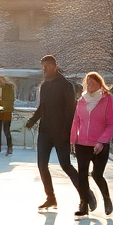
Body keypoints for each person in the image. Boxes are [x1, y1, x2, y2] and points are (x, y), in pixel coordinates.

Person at [24, 55, 83, 211]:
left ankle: (85, 195)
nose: (44, 69)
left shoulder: (66, 86)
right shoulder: (44, 85)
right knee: (42, 165)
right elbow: (42, 108)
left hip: (60, 133)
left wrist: (65, 132)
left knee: (66, 165)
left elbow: (70, 111)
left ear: (55, 66)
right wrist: (33, 120)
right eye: (43, 66)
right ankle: (50, 198)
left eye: (47, 66)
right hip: (44, 132)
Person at [70, 72, 113, 217]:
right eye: (87, 83)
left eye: (93, 83)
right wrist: (72, 140)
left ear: (99, 84)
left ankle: (107, 199)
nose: (89, 86)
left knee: (97, 174)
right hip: (82, 143)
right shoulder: (82, 100)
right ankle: (83, 204)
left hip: (100, 145)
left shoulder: (107, 99)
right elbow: (76, 121)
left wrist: (102, 141)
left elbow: (111, 124)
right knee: (82, 175)